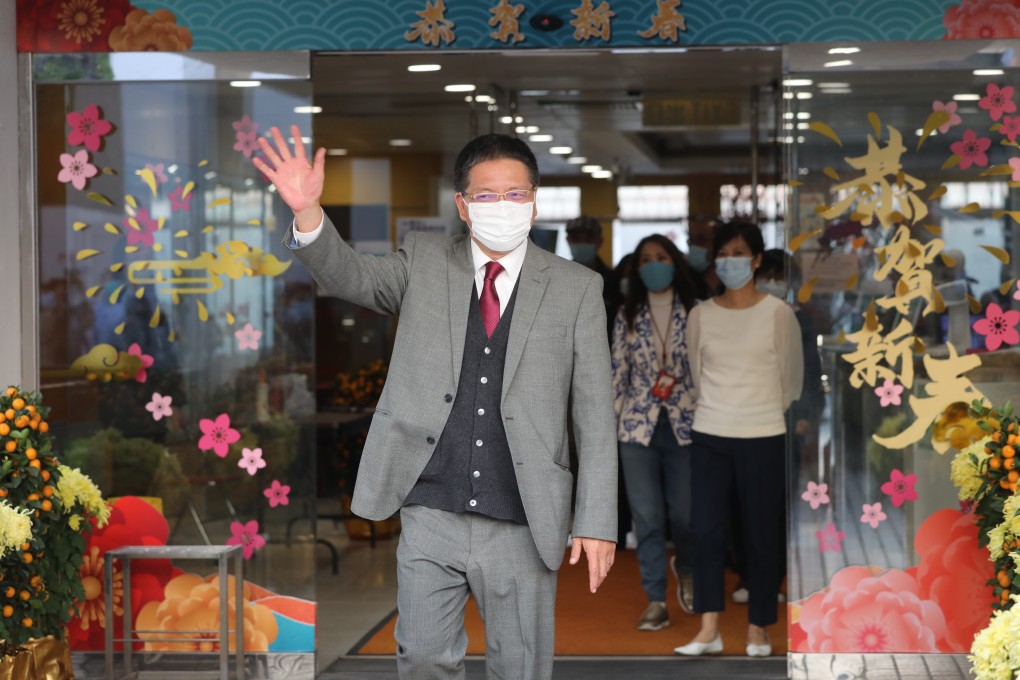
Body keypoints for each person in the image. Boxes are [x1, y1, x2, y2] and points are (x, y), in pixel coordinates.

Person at [254, 127, 617, 680]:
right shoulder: (424, 262)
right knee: (422, 659)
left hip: (524, 513)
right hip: (430, 509)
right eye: (488, 195)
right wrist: (309, 215)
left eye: (517, 194)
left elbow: (594, 412)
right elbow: (353, 277)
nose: (504, 207)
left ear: (535, 201)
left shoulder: (576, 287)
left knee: (520, 666)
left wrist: (596, 520)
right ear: (463, 205)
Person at [675, 221, 803, 658]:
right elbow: (695, 373)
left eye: (738, 253)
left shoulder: (778, 313)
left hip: (764, 433)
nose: (730, 261)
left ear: (757, 260)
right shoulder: (701, 314)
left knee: (761, 533)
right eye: (723, 253)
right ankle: (709, 629)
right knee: (706, 531)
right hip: (710, 432)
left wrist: (759, 409)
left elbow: (793, 382)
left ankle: (758, 629)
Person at [611, 234, 698, 631]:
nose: (653, 265)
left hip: (687, 425)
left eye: (661, 257)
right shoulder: (627, 315)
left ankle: (688, 563)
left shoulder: (696, 311)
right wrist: (608, 429)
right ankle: (655, 600)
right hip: (636, 427)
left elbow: (705, 371)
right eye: (646, 259)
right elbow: (617, 375)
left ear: (675, 262)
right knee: (647, 518)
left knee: (685, 513)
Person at [686, 215, 722, 300]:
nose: (694, 247)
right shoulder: (686, 282)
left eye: (700, 240)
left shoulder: (734, 280)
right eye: (691, 241)